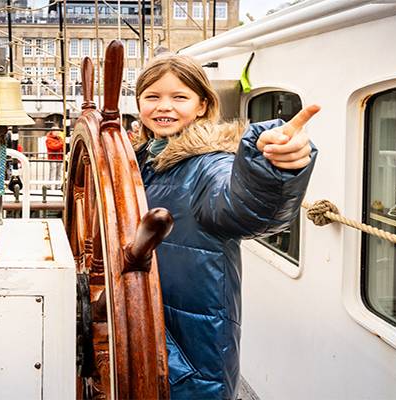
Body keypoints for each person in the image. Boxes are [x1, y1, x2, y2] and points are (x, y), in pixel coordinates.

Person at [132, 54, 319, 399]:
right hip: (143, 315)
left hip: (192, 337)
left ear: (203, 105)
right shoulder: (139, 160)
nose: (164, 107)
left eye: (179, 97)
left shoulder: (211, 164)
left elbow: (245, 212)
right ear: (139, 102)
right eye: (153, 96)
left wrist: (272, 169)